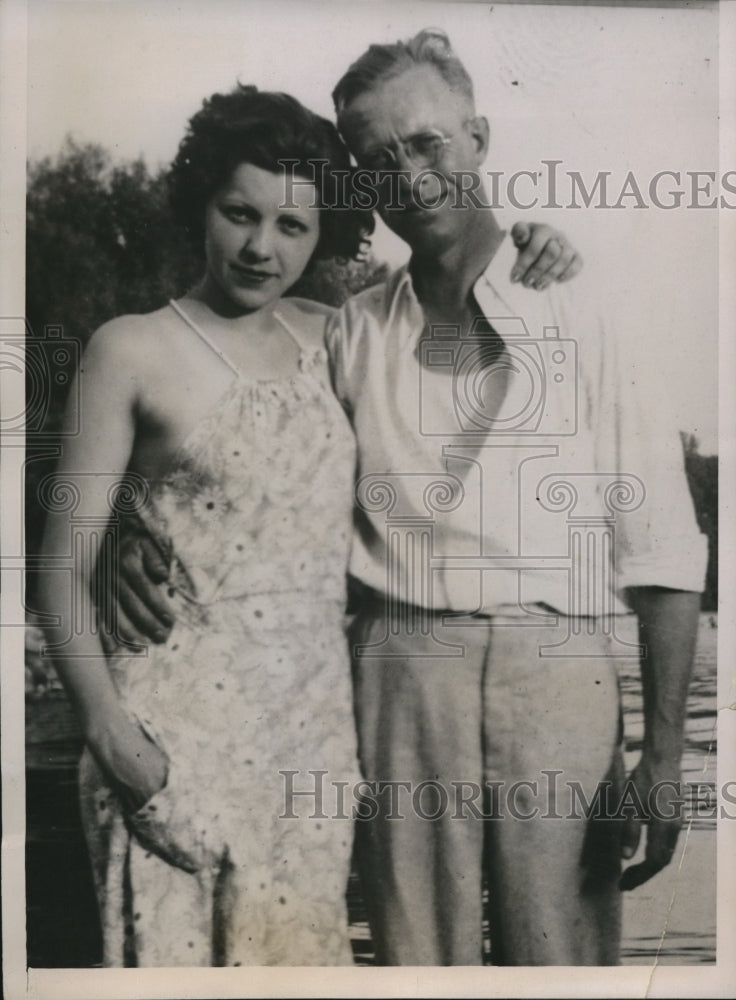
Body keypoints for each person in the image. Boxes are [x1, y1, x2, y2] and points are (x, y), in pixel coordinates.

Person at [109, 29, 706, 968]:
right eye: (378, 158)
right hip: (394, 673)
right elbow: (239, 449)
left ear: (477, 137)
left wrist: (665, 762)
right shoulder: (349, 332)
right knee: (415, 961)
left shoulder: (580, 304)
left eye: (425, 144)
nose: (408, 176)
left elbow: (665, 548)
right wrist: (118, 529)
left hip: (556, 670)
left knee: (561, 964)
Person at [35, 82, 577, 967]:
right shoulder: (128, 348)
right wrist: (110, 734)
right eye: (239, 213)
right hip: (171, 734)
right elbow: (62, 558)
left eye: (293, 226)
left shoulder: (341, 334)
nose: (261, 247)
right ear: (199, 203)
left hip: (314, 744)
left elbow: (457, 290)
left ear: (326, 232)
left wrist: (539, 246)